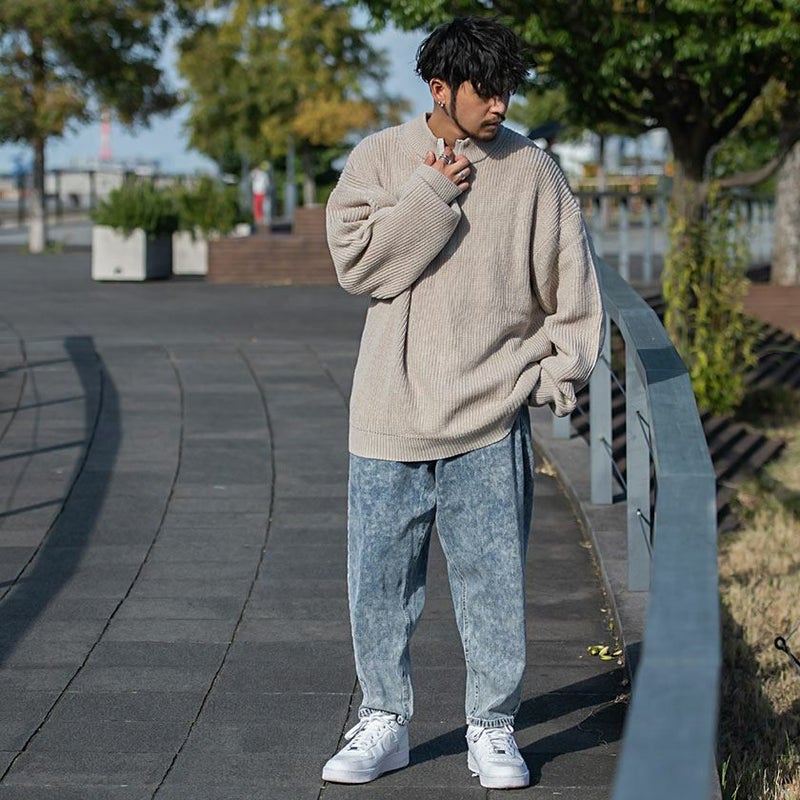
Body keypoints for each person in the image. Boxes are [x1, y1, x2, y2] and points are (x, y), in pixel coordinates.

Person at [322, 16, 604, 790]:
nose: (500, 104)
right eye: (486, 90)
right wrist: (431, 193)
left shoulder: (533, 171)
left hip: (489, 412)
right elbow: (358, 266)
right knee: (379, 585)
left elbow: (574, 294)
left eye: (508, 89)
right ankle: (384, 720)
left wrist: (553, 376)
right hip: (387, 410)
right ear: (440, 88)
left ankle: (492, 726)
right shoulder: (381, 158)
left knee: (492, 584)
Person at [249, 162, 270, 226]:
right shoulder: (254, 173)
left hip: (263, 193)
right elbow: (250, 177)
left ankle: (264, 219)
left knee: (264, 207)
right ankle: (258, 220)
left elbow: (267, 184)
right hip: (256, 193)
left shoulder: (264, 175)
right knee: (256, 207)